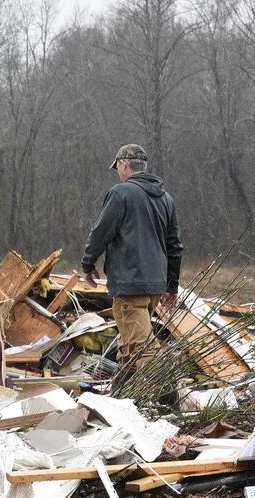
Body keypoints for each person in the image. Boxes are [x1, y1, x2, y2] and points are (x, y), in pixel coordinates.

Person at [76, 144, 183, 373]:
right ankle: (121, 400)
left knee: (144, 349)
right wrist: (171, 286)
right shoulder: (166, 199)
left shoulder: (120, 193)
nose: (118, 172)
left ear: (124, 165)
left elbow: (101, 232)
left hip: (130, 284)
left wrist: (88, 263)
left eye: (118, 168)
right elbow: (174, 247)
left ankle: (165, 399)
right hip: (155, 285)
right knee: (130, 346)